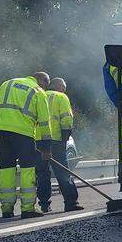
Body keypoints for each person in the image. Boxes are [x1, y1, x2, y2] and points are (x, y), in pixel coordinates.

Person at [0, 71, 51, 219]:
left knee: (6, 169)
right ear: (42, 82)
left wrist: (2, 119)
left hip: (3, 133)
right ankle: (27, 209)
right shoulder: (38, 91)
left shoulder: (7, 83)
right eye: (46, 87)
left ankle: (7, 208)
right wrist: (46, 148)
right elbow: (44, 123)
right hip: (24, 135)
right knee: (27, 169)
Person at [36, 77, 81, 212]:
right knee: (62, 171)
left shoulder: (39, 95)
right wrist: (65, 137)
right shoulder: (61, 97)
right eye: (64, 88)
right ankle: (71, 202)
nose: (64, 90)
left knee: (42, 173)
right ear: (59, 87)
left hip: (37, 140)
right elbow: (67, 118)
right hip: (55, 140)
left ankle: (44, 204)